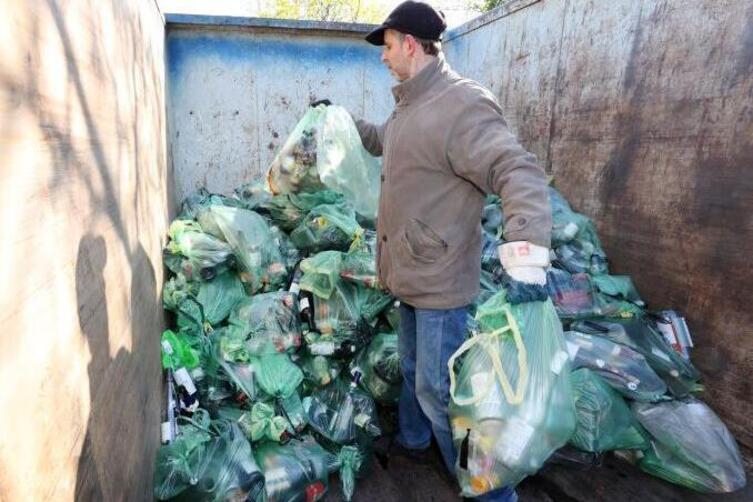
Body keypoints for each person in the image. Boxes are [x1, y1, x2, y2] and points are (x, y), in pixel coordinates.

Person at [316, 2, 552, 500]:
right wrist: (342, 121)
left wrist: (527, 250)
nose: (383, 57)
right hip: (410, 270)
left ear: (409, 44)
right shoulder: (411, 105)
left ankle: (490, 491)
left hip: (441, 277)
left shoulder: (461, 104)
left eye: (386, 46)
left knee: (440, 389)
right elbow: (386, 141)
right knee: (411, 369)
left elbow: (517, 169)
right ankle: (415, 440)